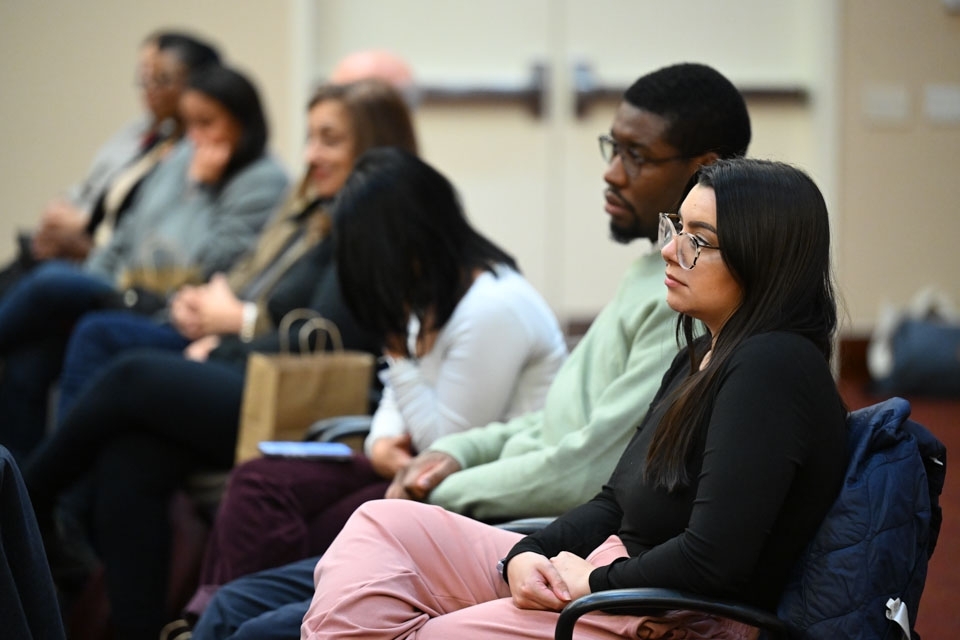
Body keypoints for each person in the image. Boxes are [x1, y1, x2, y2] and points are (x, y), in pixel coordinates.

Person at [190, 61, 754, 640]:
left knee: (264, 612)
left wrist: (437, 480)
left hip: (534, 529)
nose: (611, 173)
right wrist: (452, 457)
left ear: (702, 171)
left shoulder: (679, 309)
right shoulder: (647, 275)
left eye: (636, 155)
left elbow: (587, 471)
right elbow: (547, 429)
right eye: (612, 147)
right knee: (258, 561)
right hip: (523, 524)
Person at [300, 157, 848, 639]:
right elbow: (615, 500)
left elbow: (713, 561)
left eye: (697, 240)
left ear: (764, 259)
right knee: (381, 523)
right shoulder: (702, 353)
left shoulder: (772, 366)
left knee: (429, 631)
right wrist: (527, 554)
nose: (669, 249)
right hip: (615, 577)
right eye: (676, 227)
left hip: (671, 614)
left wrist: (592, 579)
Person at [19, 79, 419, 640]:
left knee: (128, 369)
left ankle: (28, 496)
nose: (312, 154)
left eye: (330, 139)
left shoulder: (374, 219)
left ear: (373, 144)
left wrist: (229, 337)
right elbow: (258, 296)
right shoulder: (314, 211)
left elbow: (326, 336)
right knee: (131, 457)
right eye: (310, 138)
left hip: (304, 400)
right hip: (252, 373)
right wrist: (216, 319)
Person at [176, 146, 567, 628]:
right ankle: (218, 613)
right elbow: (394, 400)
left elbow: (443, 439)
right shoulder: (436, 287)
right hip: (405, 468)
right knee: (259, 481)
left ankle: (243, 614)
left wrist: (399, 356)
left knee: (296, 527)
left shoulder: (493, 309)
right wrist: (382, 439)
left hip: (461, 490)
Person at [0, 63, 288, 461]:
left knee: (53, 280)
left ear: (244, 124)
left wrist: (203, 189)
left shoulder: (263, 180)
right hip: (122, 288)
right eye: (190, 124)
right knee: (29, 360)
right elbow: (126, 234)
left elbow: (210, 265)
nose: (196, 138)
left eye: (208, 123)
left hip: (165, 302)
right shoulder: (178, 159)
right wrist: (101, 283)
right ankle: (21, 505)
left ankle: (51, 483)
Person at [0, 31, 221, 297]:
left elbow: (157, 242)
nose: (150, 88)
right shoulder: (155, 139)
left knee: (46, 284)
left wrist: (85, 245)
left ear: (194, 85)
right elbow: (100, 192)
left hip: (118, 278)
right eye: (145, 78)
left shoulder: (194, 155)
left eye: (162, 79)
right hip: (90, 261)